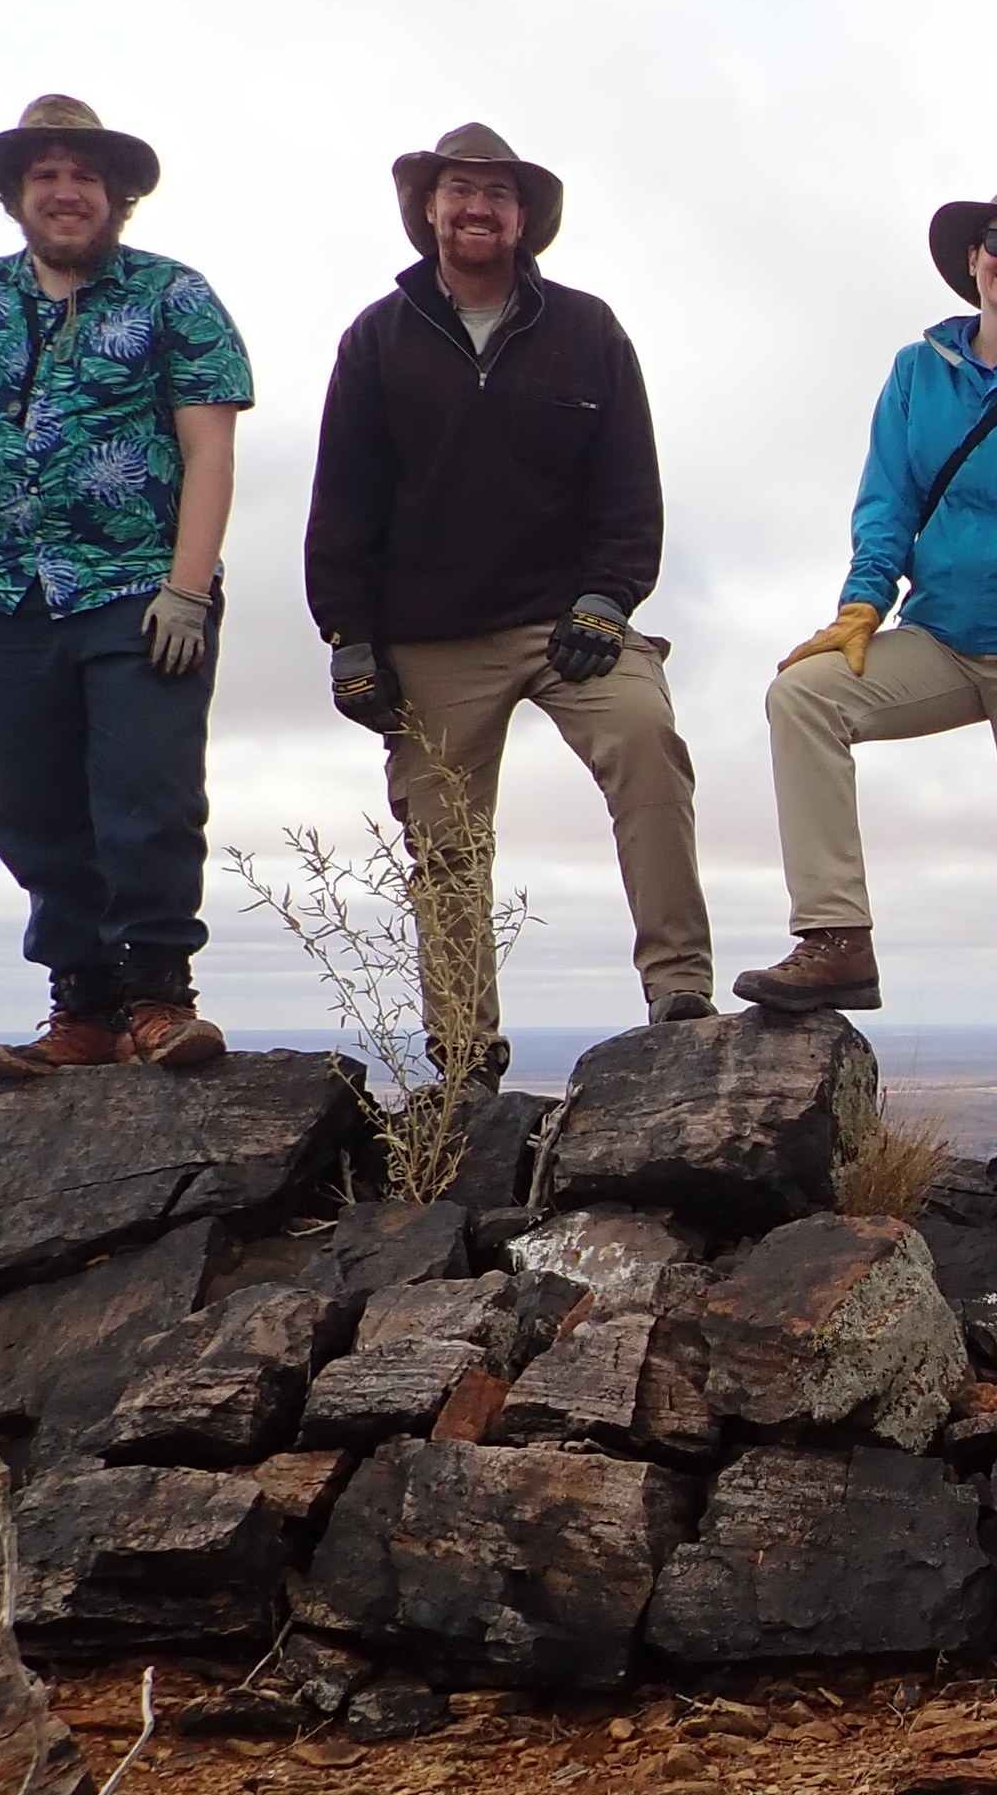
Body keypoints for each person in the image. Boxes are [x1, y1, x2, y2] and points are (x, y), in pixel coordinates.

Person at [303, 123, 709, 1093]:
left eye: (497, 192)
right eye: (459, 189)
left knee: (646, 740)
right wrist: (349, 636)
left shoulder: (588, 331)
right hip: (430, 634)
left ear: (525, 218)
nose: (478, 207)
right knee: (443, 841)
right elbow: (343, 500)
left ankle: (680, 999)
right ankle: (464, 1064)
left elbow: (628, 492)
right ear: (430, 209)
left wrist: (607, 601)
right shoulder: (377, 339)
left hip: (570, 621)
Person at [746, 174, 997, 1131]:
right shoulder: (916, 372)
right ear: (972, 260)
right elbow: (887, 498)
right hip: (937, 637)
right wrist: (859, 606)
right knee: (804, 697)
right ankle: (836, 936)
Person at [0, 96, 251, 1082]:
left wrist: (186, 590)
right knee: (29, 809)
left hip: (138, 594)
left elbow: (209, 450)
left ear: (117, 197)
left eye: (85, 176)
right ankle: (83, 1010)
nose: (65, 191)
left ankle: (156, 1000)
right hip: (2, 598)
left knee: (147, 799)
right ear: (15, 194)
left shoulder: (175, 298)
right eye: (44, 174)